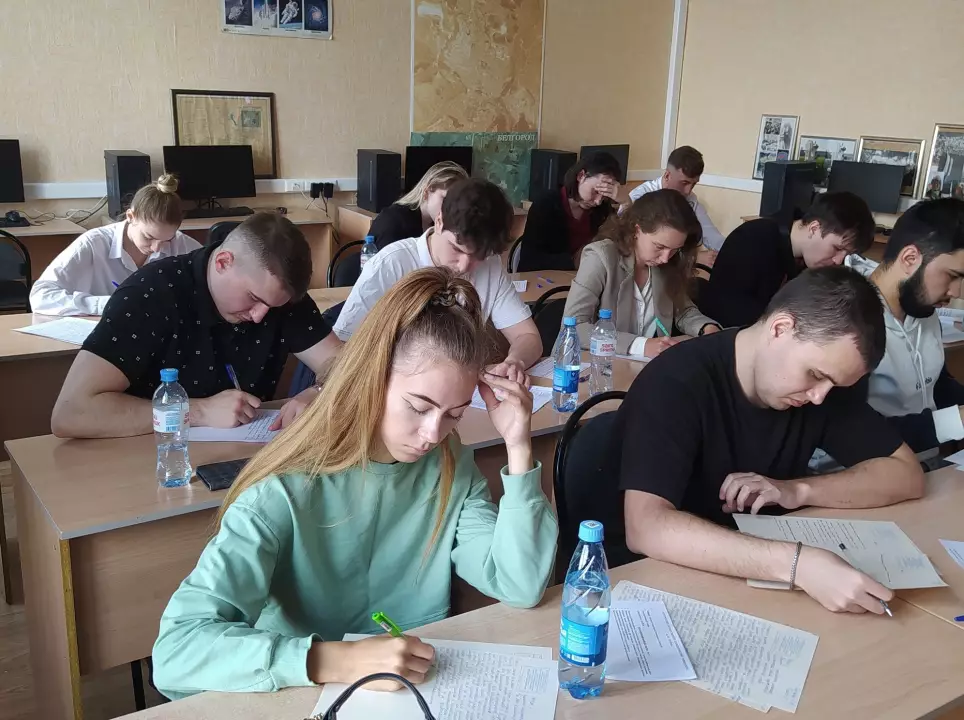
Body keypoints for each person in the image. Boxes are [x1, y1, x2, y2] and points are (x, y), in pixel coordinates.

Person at [151, 268, 557, 699]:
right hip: (301, 692)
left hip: (415, 688)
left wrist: (518, 445)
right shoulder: (282, 490)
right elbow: (176, 653)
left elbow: (520, 585)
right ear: (373, 378)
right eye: (419, 407)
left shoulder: (449, 461)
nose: (433, 434)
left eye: (454, 414)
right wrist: (339, 661)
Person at [605, 267, 924, 614]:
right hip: (650, 583)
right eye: (815, 375)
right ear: (780, 329)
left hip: (753, 577)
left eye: (833, 385)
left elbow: (906, 474)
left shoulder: (823, 388)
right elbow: (646, 528)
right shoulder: (676, 381)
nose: (819, 396)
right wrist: (798, 565)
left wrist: (798, 491)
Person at [51, 212, 334, 438]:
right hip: (148, 455)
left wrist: (318, 393)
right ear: (223, 262)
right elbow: (71, 413)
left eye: (273, 307)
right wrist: (198, 411)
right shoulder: (149, 294)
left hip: (244, 458)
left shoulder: (278, 298)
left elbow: (347, 365)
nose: (260, 315)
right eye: (253, 298)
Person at [317, 178, 541, 382]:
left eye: (478, 256)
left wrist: (515, 361)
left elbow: (528, 336)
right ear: (439, 221)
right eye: (456, 249)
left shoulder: (490, 266)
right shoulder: (391, 263)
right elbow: (341, 352)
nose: (464, 266)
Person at [845, 198, 964, 454]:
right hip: (875, 468)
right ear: (910, 258)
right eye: (953, 276)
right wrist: (955, 422)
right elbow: (857, 434)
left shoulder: (922, 307)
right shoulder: (850, 322)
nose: (956, 292)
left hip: (928, 462)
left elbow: (936, 384)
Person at [563, 189, 720, 358]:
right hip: (598, 364)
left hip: (644, 365)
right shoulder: (601, 257)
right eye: (659, 247)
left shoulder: (668, 265)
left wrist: (706, 328)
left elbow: (683, 311)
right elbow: (574, 327)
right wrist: (641, 345)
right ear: (636, 230)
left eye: (675, 249)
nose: (665, 258)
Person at [698, 191, 876, 328]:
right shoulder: (754, 238)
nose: (838, 261)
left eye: (847, 254)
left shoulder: (807, 259)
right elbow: (726, 308)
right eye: (837, 248)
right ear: (814, 228)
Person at [29, 175, 200, 316]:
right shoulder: (93, 243)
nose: (156, 248)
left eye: (167, 240)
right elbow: (40, 296)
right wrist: (108, 303)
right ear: (131, 216)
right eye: (148, 237)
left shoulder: (182, 245)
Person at [517, 152, 621, 271]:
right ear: (581, 176)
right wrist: (574, 261)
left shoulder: (602, 209)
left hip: (588, 278)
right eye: (596, 191)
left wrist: (626, 202)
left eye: (604, 195)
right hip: (549, 278)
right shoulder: (546, 204)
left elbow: (622, 244)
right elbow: (529, 260)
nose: (598, 201)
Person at [627, 145, 726, 252]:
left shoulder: (690, 200)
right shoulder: (639, 196)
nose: (688, 191)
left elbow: (714, 238)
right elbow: (630, 243)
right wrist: (694, 258)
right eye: (684, 183)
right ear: (667, 176)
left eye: (693, 184)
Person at [368, 161, 469, 250]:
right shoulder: (394, 221)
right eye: (445, 199)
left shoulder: (438, 224)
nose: (451, 209)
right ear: (427, 192)